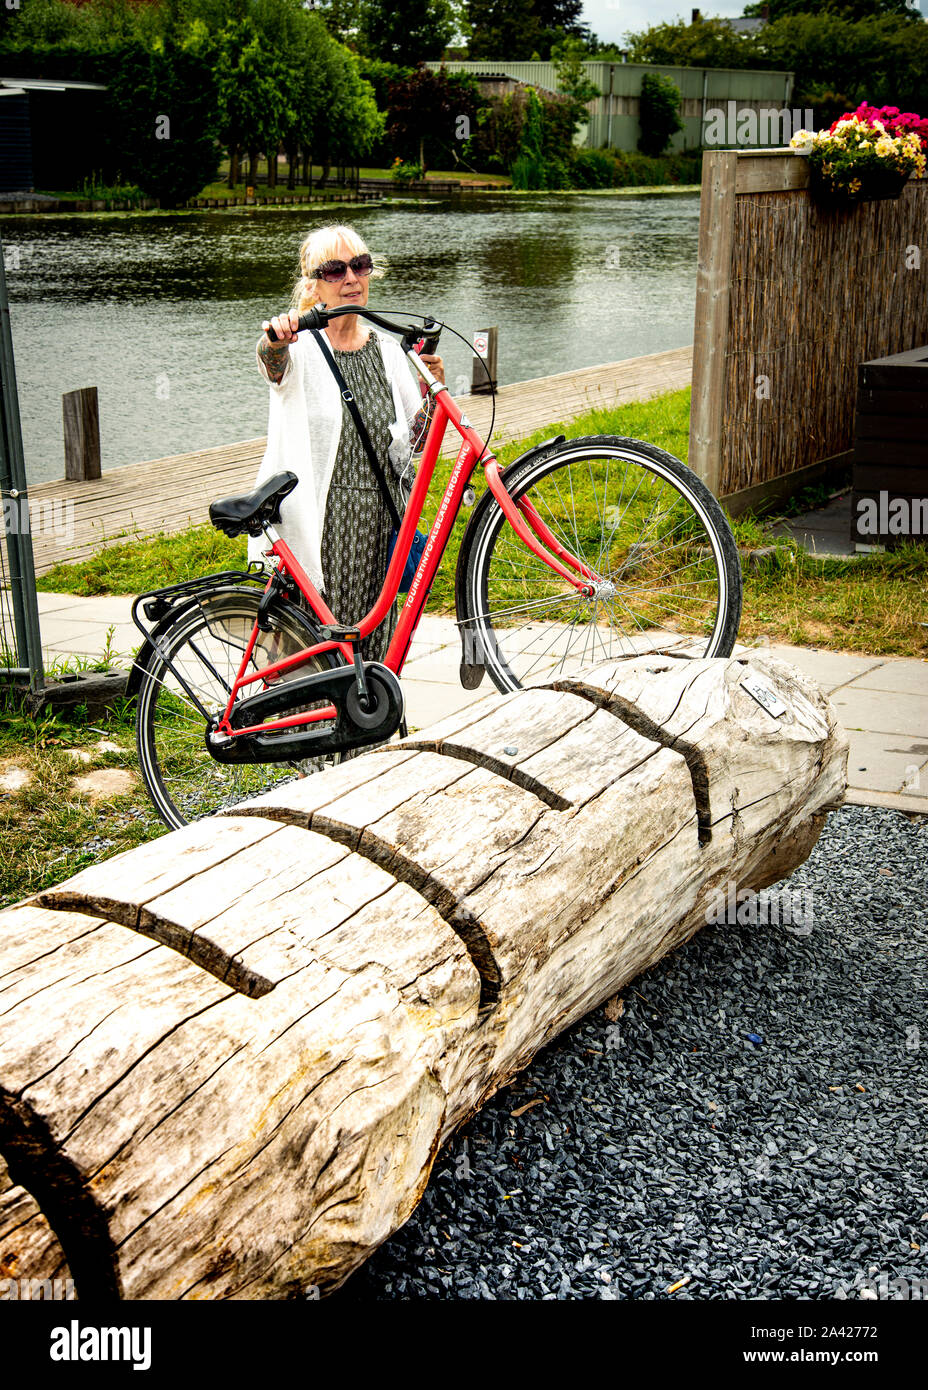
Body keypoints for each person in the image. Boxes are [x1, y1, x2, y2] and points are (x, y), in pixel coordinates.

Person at [248, 223, 444, 663]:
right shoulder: (299, 348)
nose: (351, 278)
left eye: (360, 266)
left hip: (378, 527)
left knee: (372, 655)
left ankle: (366, 732)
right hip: (320, 524)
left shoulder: (389, 353)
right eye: (334, 270)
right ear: (314, 284)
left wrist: (433, 393)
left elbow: (414, 445)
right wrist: (274, 339)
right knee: (312, 653)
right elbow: (270, 362)